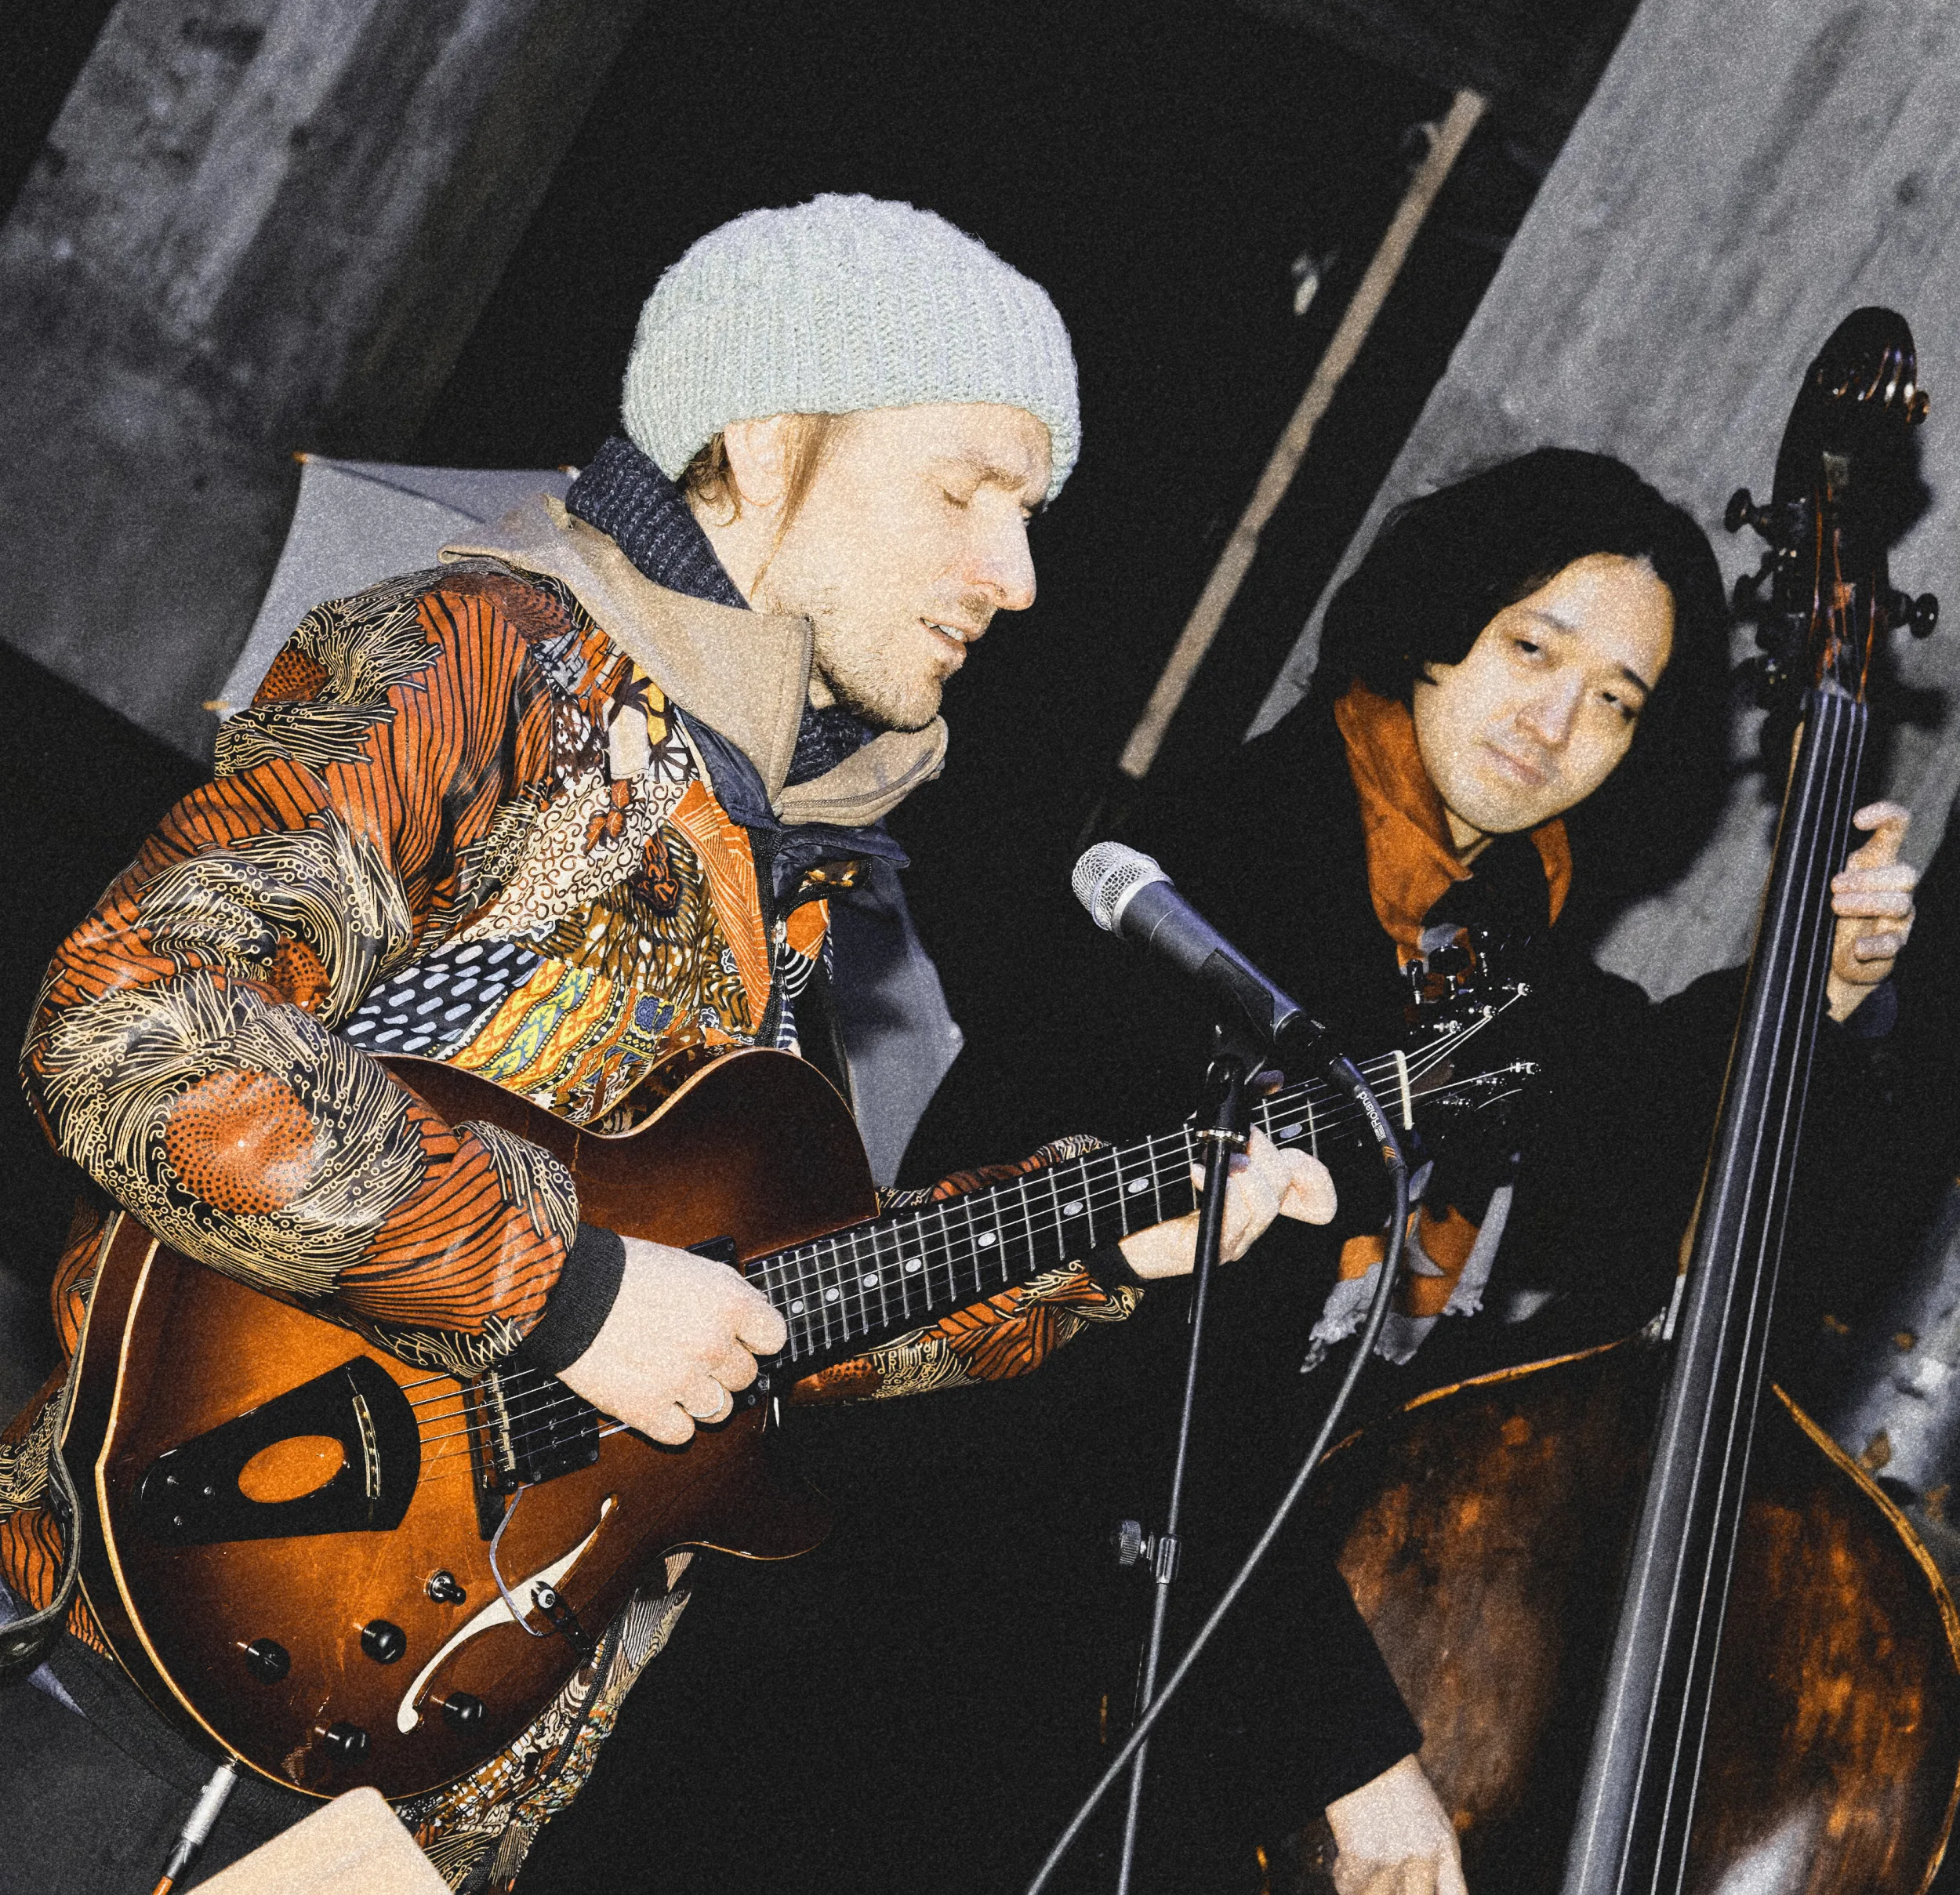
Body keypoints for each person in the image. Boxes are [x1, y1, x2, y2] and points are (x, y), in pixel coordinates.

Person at [0, 195, 1330, 1893]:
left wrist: (1098, 1241)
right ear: (762, 442)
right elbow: (130, 1020)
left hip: (425, 1796)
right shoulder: (488, 654)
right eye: (964, 493)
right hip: (145, 1672)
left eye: (1028, 517)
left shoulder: (794, 854)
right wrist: (568, 1290)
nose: (1016, 579)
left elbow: (756, 1332)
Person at [921, 448, 1916, 1893]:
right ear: (1435, 623)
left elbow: (1630, 1127)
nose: (1557, 724)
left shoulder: (1495, 929)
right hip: (994, 1631)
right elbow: (1146, 1404)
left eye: (1619, 701)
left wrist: (1810, 997)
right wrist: (1354, 1759)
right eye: (1533, 649)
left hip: (1216, 1639)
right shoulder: (1216, 878)